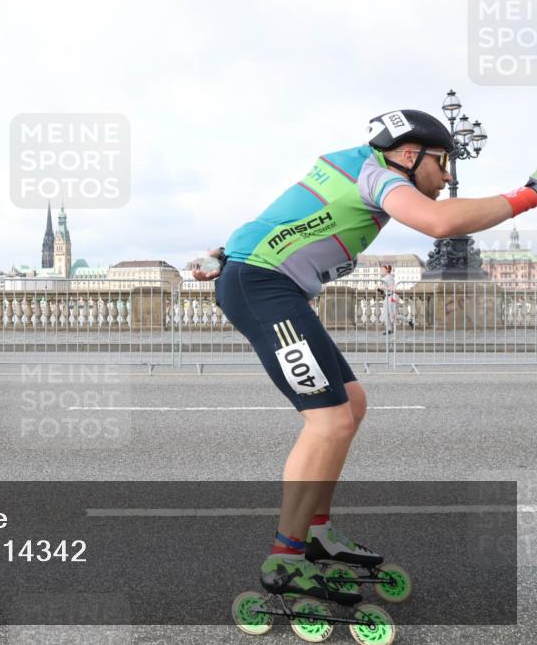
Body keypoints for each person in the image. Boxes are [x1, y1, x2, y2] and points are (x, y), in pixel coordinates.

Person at [193, 109, 537, 602]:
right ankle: (285, 558)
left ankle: (315, 530)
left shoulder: (353, 166)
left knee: (351, 404)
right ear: (408, 155)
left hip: (264, 280)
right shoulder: (377, 174)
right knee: (328, 421)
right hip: (263, 285)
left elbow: (282, 218)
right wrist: (529, 195)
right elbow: (440, 223)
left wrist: (224, 253)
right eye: (443, 163)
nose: (446, 177)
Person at [377, 264, 398, 334]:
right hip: (387, 297)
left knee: (392, 315)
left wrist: (383, 288)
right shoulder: (384, 278)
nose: (381, 271)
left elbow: (393, 288)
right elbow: (383, 289)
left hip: (392, 297)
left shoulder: (390, 277)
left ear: (387, 270)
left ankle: (408, 320)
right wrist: (380, 289)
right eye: (381, 270)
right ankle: (389, 329)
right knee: (385, 314)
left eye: (382, 270)